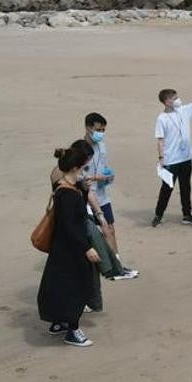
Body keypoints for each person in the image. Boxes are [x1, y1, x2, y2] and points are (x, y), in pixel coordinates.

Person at [38, 143, 101, 347]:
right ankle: (73, 330)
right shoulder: (66, 193)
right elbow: (70, 225)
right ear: (76, 168)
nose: (84, 171)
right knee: (77, 288)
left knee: (60, 286)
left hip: (62, 251)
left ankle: (58, 323)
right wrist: (86, 248)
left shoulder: (65, 188)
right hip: (71, 251)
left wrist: (83, 192)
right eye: (83, 167)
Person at [79, 113, 137, 280]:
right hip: (89, 197)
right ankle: (106, 268)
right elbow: (79, 176)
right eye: (98, 129)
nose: (101, 133)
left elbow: (104, 166)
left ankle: (116, 264)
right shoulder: (80, 149)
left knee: (110, 228)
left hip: (103, 194)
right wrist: (98, 178)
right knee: (96, 232)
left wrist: (108, 176)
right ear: (89, 127)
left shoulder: (102, 145)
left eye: (103, 130)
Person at [153, 88, 192, 227]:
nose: (177, 100)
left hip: (186, 157)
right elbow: (160, 139)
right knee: (167, 188)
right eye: (174, 98)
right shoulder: (162, 118)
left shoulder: (183, 110)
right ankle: (158, 214)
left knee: (186, 187)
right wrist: (161, 158)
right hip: (171, 159)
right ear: (166, 101)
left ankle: (187, 214)